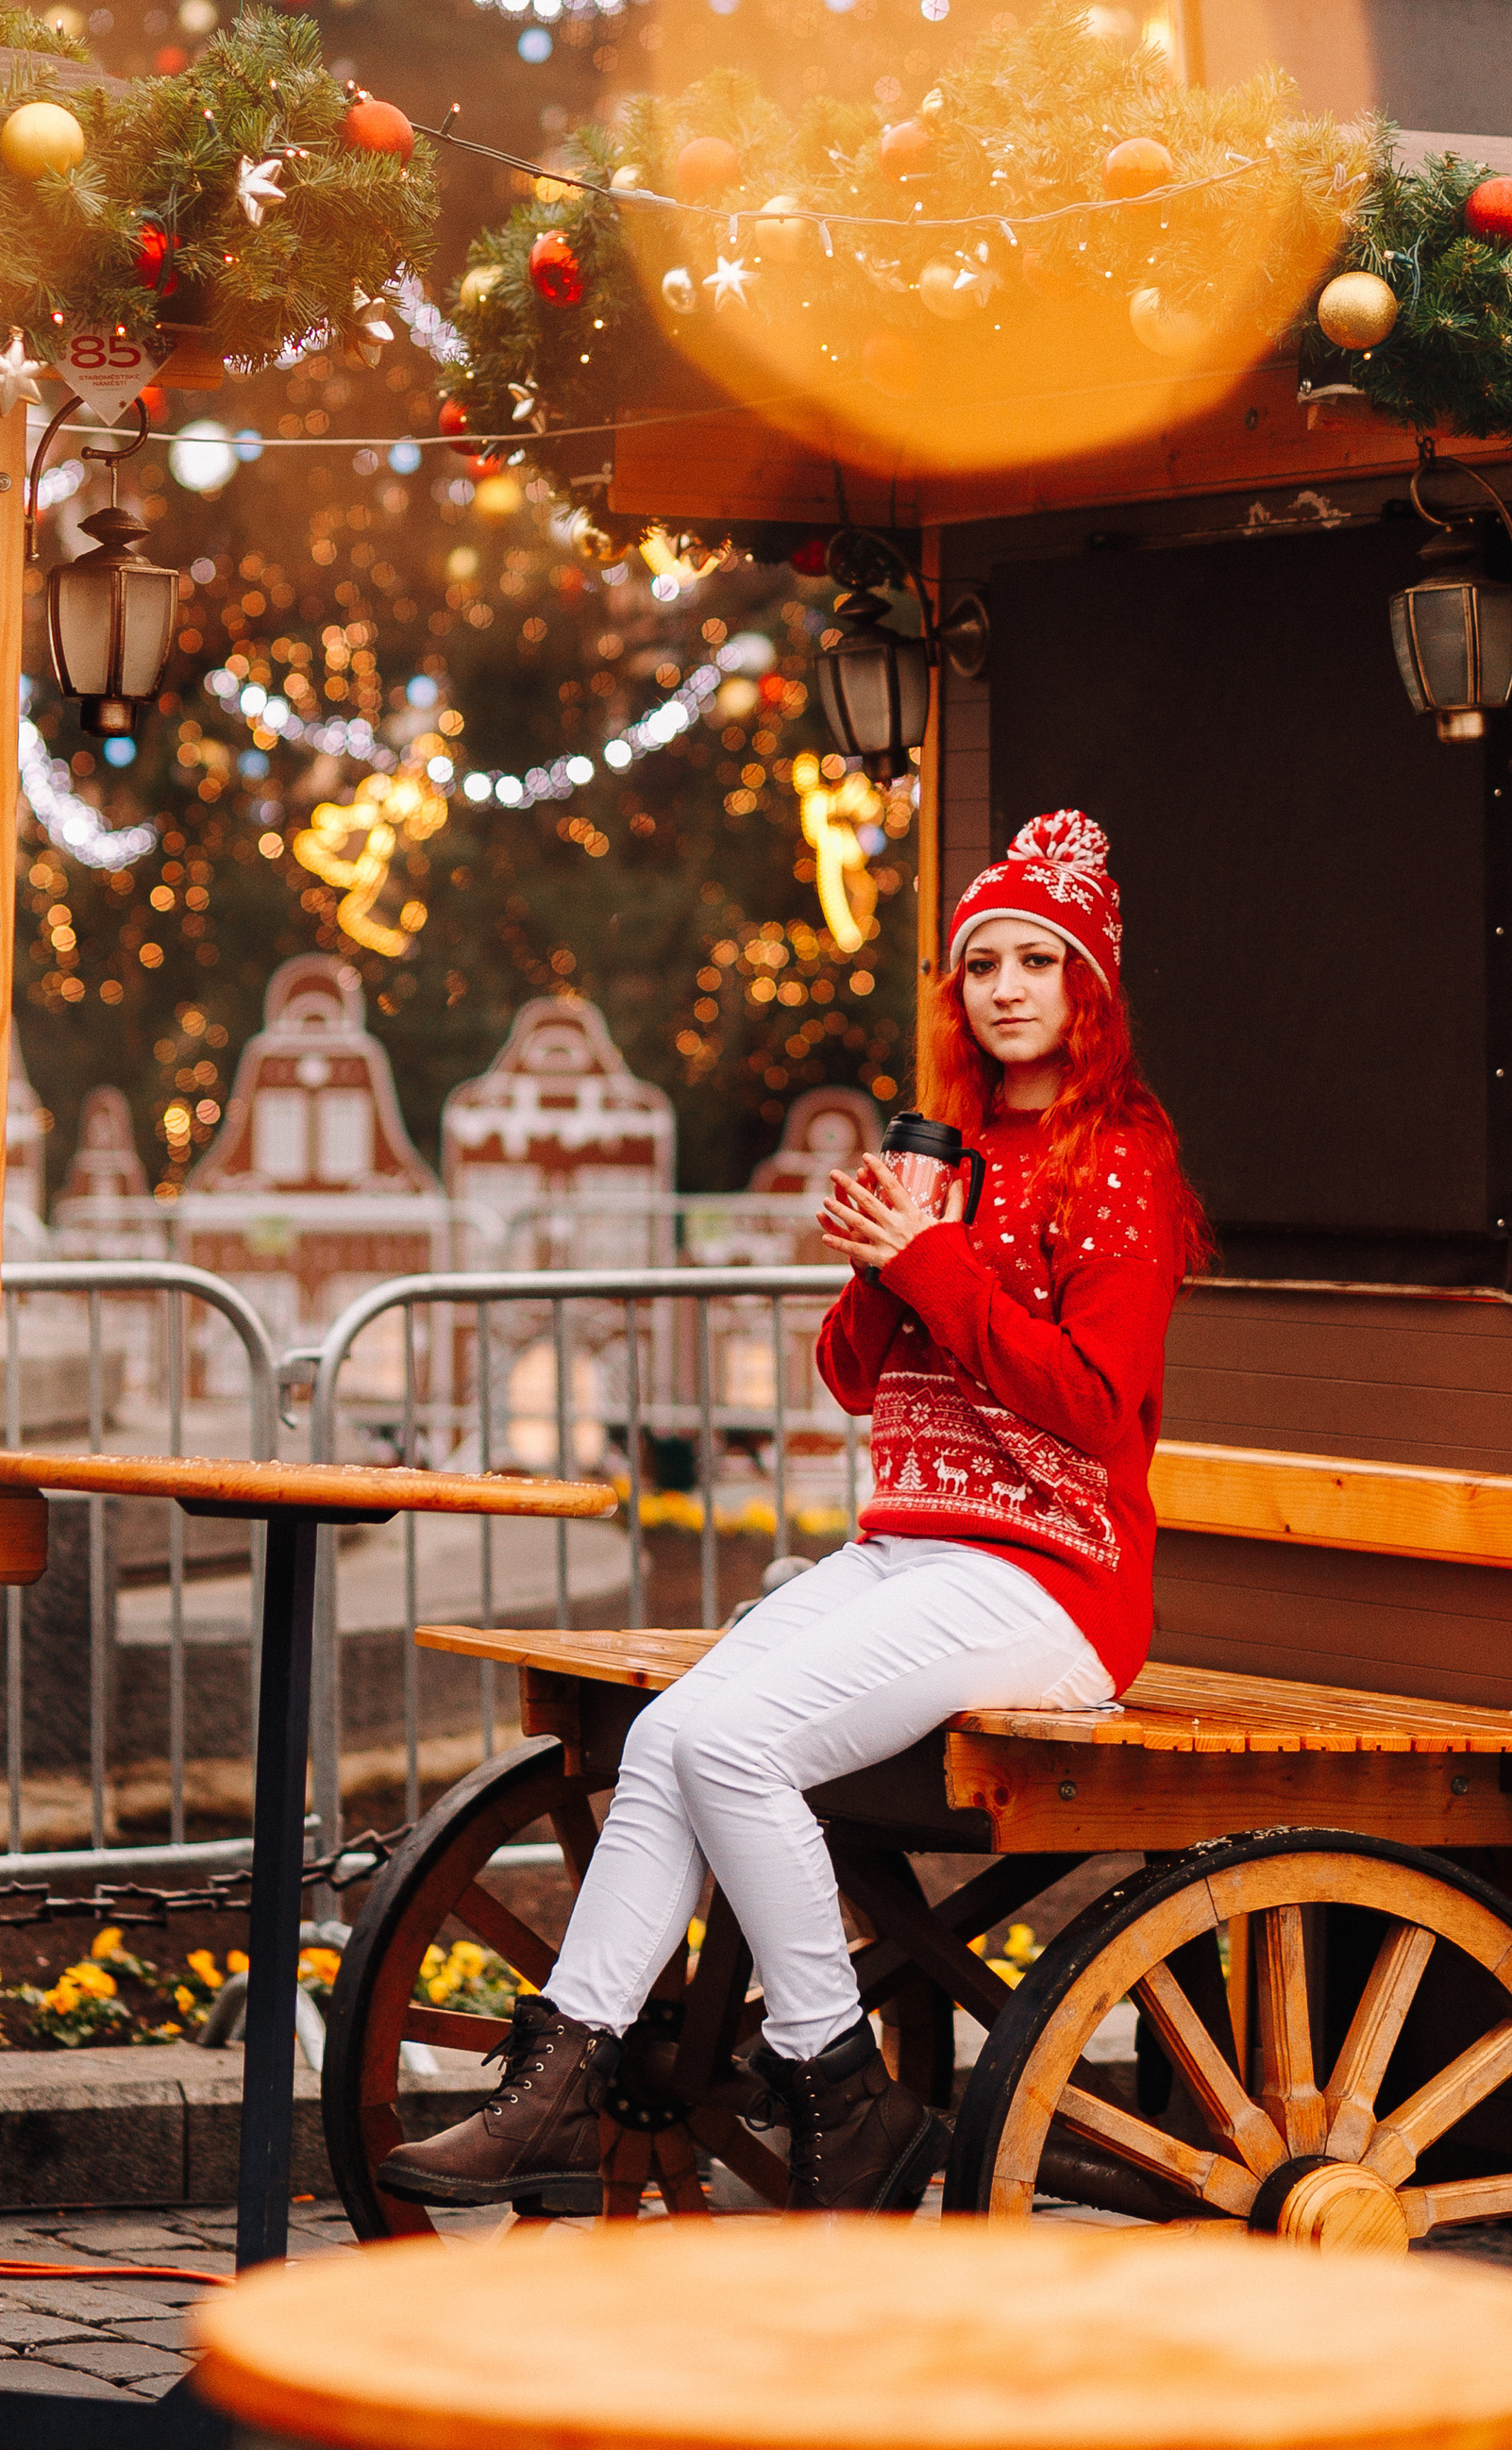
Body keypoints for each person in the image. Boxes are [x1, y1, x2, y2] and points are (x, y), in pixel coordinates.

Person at [377, 808, 1210, 2217]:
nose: (1005, 988)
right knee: (675, 1737)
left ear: (1089, 992)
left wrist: (935, 1262)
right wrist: (887, 1259)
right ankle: (566, 2077)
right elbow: (847, 1380)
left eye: (1036, 962)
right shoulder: (950, 1156)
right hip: (911, 1550)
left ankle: (834, 2082)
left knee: (743, 1745)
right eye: (982, 965)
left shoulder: (1117, 1162)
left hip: (1053, 1584)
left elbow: (1088, 1402)